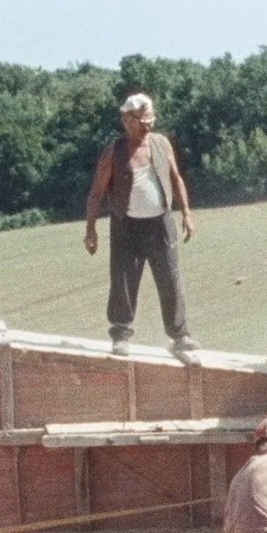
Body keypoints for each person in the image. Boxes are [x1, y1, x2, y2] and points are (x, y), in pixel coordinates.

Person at [83, 92, 199, 358]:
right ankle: (121, 336)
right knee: (123, 281)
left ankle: (180, 335)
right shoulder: (113, 152)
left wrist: (186, 215)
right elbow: (96, 193)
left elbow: (176, 178)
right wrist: (90, 230)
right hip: (127, 226)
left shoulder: (161, 143)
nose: (147, 125)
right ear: (126, 120)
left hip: (161, 223)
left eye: (150, 120)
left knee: (170, 279)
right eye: (140, 121)